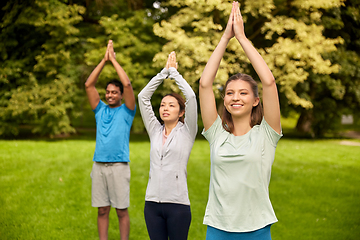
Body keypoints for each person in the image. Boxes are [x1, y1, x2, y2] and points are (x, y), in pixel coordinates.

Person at [199, 2, 282, 240]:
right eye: (230, 92)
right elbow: (205, 84)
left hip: (256, 229)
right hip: (218, 228)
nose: (235, 97)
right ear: (224, 99)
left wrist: (242, 38)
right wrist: (226, 37)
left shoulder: (267, 134)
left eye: (243, 93)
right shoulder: (216, 134)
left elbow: (269, 83)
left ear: (256, 101)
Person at [138, 51, 198, 240]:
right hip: (152, 204)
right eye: (163, 105)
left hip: (178, 205)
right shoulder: (155, 130)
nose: (165, 108)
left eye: (171, 105)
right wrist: (163, 73)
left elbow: (191, 97)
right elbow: (143, 97)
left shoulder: (187, 131)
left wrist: (175, 73)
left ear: (181, 113)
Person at [85, 40, 136, 240]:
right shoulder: (100, 109)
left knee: (121, 210)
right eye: (108, 92)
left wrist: (113, 61)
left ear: (121, 96)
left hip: (119, 166)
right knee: (102, 210)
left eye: (114, 92)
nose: (110, 95)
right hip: (99, 166)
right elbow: (89, 84)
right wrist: (103, 60)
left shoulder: (127, 111)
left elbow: (128, 84)